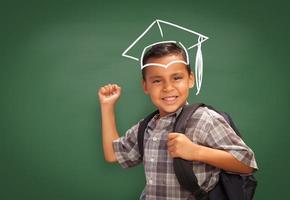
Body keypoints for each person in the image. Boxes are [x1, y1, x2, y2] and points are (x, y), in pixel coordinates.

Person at [98, 42, 258, 200]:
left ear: (190, 79)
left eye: (176, 78)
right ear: (145, 86)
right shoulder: (147, 126)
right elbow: (113, 154)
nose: (168, 87)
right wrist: (107, 107)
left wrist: (196, 151)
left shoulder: (204, 119)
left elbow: (247, 164)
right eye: (157, 81)